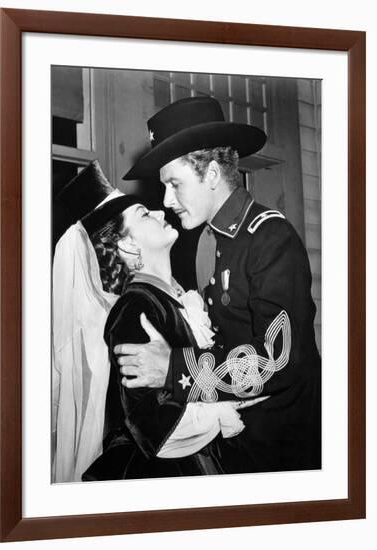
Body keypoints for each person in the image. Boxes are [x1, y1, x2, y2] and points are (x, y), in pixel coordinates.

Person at [119, 96, 322, 474]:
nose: (166, 200)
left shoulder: (270, 238)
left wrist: (174, 369)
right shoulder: (204, 242)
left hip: (285, 451)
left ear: (212, 174)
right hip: (234, 445)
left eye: (174, 184)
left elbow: (279, 361)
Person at [51, 161, 267, 483]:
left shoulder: (180, 296)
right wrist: (220, 412)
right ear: (128, 244)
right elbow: (148, 422)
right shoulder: (133, 310)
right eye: (144, 215)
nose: (161, 212)